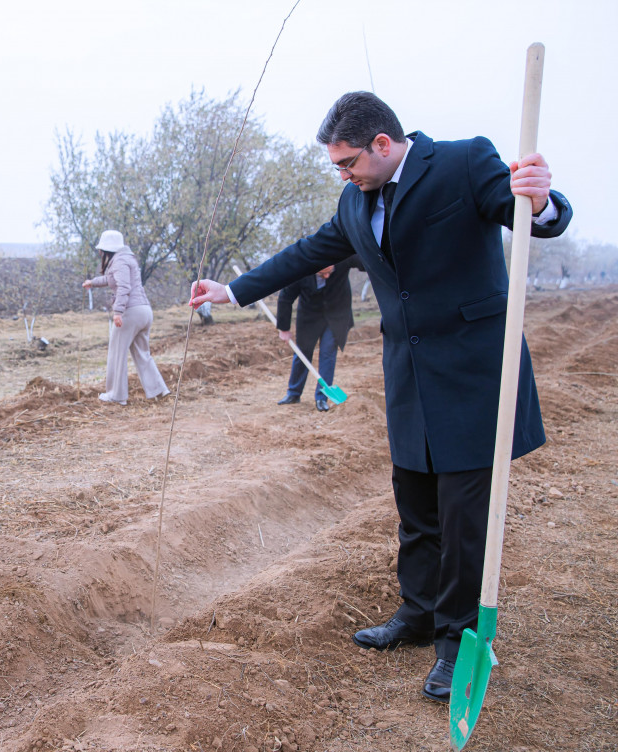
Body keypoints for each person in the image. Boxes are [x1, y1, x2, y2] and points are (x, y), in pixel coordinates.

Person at [188, 91, 572, 703]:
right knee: (415, 503)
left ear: (384, 146)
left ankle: (456, 642)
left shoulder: (462, 163)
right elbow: (306, 253)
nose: (341, 174)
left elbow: (530, 213)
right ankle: (417, 615)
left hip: (476, 374)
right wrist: (231, 290)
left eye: (347, 162)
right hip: (410, 375)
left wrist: (544, 198)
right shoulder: (353, 200)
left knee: (463, 517)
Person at [82, 230, 170, 405]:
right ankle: (158, 390)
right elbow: (110, 279)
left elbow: (123, 287)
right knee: (142, 353)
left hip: (131, 312)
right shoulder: (127, 259)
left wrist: (118, 312)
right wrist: (93, 282)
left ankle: (116, 395)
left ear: (106, 249)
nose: (100, 253)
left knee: (117, 352)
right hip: (144, 311)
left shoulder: (119, 261)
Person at [276, 257, 360, 412]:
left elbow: (363, 258)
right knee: (302, 354)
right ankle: (293, 393)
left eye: (330, 272)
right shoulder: (300, 270)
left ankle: (322, 398)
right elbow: (285, 298)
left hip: (336, 316)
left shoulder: (342, 260)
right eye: (323, 274)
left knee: (328, 353)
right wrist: (284, 329)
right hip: (309, 317)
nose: (327, 276)